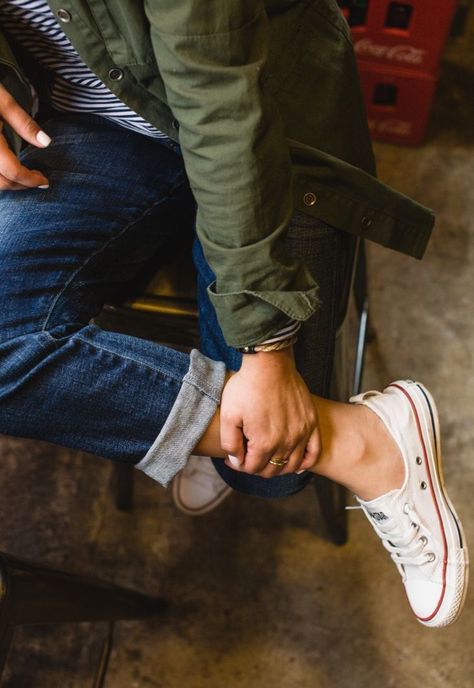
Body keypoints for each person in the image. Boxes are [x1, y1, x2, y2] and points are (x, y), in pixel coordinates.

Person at [0, 0, 467, 628]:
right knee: (256, 438)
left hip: (265, 129)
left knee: (266, 470)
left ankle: (206, 412)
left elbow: (223, 116)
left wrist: (266, 344)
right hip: (95, 123)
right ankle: (357, 438)